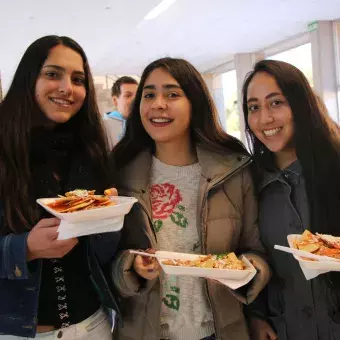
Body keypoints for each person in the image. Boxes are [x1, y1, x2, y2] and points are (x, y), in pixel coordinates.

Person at [109, 57, 271, 340]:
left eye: (172, 94)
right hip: (144, 330)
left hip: (219, 330)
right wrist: (131, 267)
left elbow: (256, 250)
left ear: (194, 102)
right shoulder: (120, 174)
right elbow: (104, 261)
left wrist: (246, 269)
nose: (158, 104)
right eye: (149, 95)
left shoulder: (234, 172)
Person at [0, 35, 120, 339]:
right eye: (53, 74)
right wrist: (23, 248)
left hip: (94, 325)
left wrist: (110, 221)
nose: (67, 87)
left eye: (78, 79)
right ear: (29, 79)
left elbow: (99, 257)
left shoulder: (89, 151)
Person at [242, 59, 340, 340]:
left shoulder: (335, 166)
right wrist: (256, 316)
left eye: (276, 103)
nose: (265, 119)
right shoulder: (248, 183)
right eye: (254, 107)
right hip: (285, 328)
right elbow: (246, 254)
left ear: (301, 104)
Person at [104, 76, 138, 147]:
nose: (135, 100)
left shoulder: (144, 124)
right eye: (128, 95)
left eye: (138, 96)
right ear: (115, 101)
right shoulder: (103, 127)